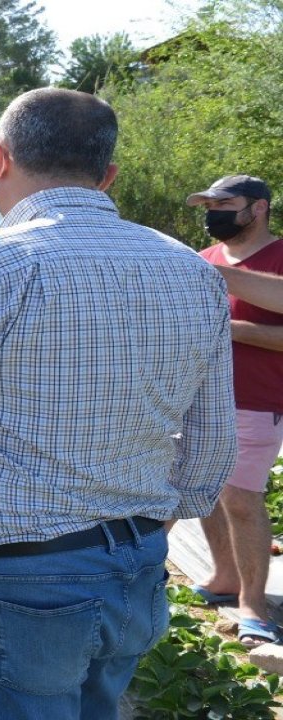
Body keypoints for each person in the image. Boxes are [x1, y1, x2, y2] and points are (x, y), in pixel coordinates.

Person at [0, 88, 235, 719]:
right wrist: (146, 526)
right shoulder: (189, 269)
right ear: (108, 174)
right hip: (137, 565)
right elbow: (212, 447)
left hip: (17, 579)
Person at [186, 175, 283, 646]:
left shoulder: (279, 257)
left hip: (258, 400)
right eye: (208, 204)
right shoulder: (202, 259)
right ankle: (225, 576)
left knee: (242, 500)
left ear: (259, 208)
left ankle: (255, 606)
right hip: (199, 398)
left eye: (225, 203)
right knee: (207, 492)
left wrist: (233, 327)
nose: (213, 212)